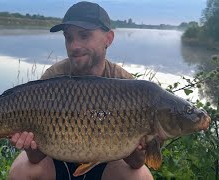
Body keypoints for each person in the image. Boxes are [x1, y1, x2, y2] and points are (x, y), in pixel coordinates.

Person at [8, 1, 153, 180]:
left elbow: (136, 163)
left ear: (108, 38)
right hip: (58, 158)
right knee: (20, 171)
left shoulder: (126, 85)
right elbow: (36, 158)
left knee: (141, 176)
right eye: (69, 37)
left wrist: (138, 147)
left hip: (105, 162)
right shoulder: (54, 77)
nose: (74, 46)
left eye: (84, 36)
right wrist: (29, 145)